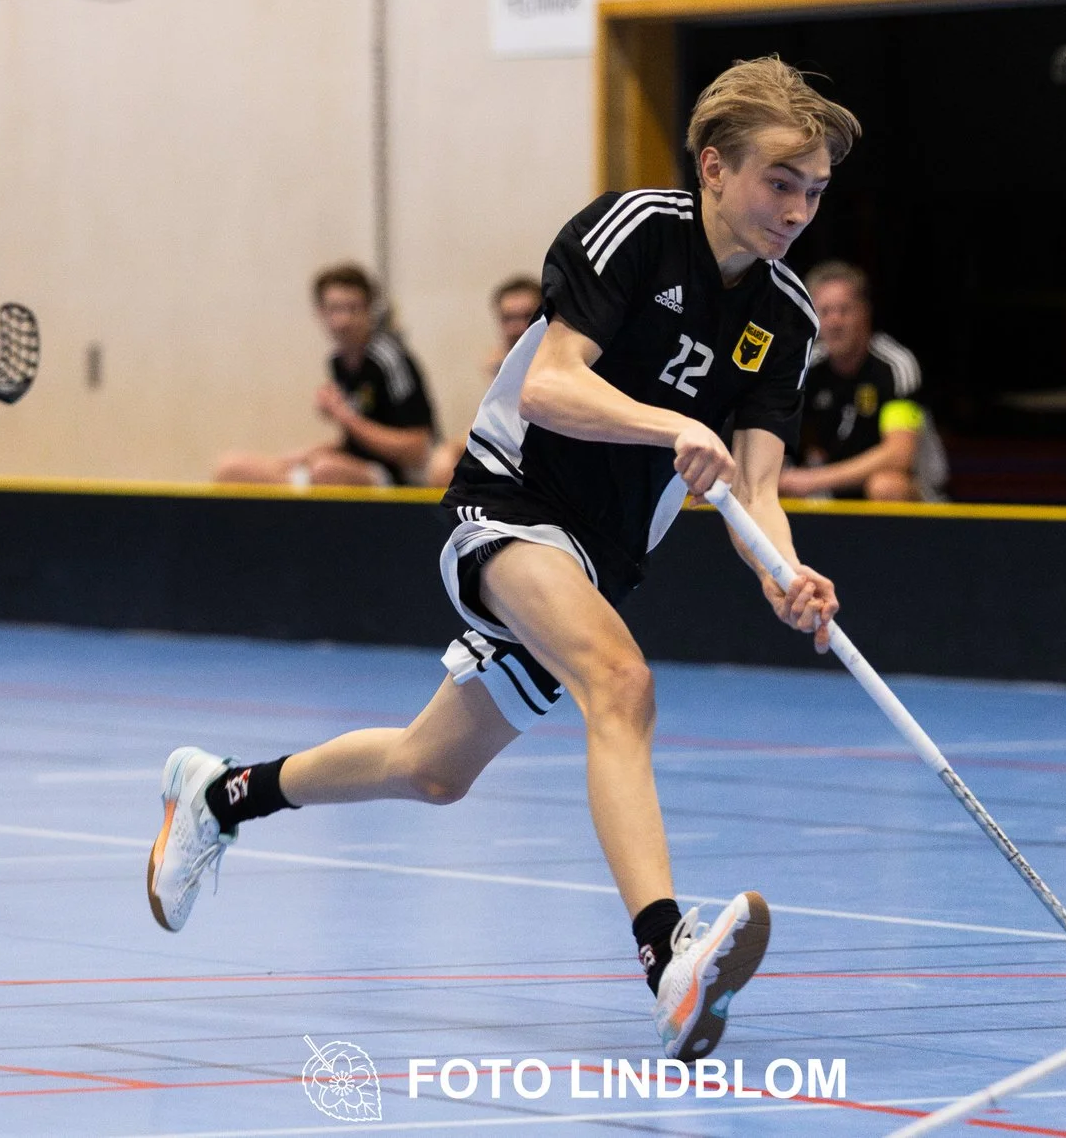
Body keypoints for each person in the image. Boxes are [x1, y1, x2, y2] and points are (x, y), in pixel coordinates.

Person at [150, 56, 853, 1063]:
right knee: (621, 680)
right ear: (714, 164)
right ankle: (669, 959)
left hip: (602, 556)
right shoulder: (636, 231)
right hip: (510, 502)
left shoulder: (784, 316)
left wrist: (784, 572)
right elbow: (551, 387)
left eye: (815, 190)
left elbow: (757, 485)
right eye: (780, 181)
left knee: (430, 769)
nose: (797, 208)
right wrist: (666, 427)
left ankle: (219, 794)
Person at [213, 264, 436, 488]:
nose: (344, 320)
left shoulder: (389, 359)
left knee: (325, 471)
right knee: (232, 467)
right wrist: (314, 452)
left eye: (353, 309)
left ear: (369, 311)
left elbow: (418, 450)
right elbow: (359, 443)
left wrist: (345, 417)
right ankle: (295, 486)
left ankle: (297, 489)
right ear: (320, 312)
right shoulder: (338, 362)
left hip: (400, 480)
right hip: (355, 465)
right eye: (336, 309)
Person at [780, 260, 939, 501]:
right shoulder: (806, 367)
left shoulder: (894, 365)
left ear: (864, 312)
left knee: (885, 486)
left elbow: (899, 454)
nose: (834, 322)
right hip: (830, 486)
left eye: (844, 310)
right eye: (824, 311)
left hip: (910, 488)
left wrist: (811, 480)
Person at [426, 273, 544, 488]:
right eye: (508, 318)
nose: (517, 328)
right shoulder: (501, 368)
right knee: (444, 462)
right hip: (510, 465)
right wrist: (453, 448)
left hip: (545, 469)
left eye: (527, 316)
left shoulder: (556, 370)